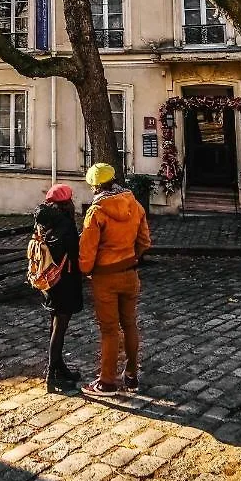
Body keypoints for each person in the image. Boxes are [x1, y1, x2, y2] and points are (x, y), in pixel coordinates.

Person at [79, 163, 151, 396]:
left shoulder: (96, 211)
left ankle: (107, 381)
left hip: (105, 278)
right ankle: (131, 375)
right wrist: (133, 257)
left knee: (109, 330)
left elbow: (87, 250)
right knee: (130, 324)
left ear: (95, 186)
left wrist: (86, 270)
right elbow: (144, 240)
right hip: (130, 273)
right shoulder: (134, 204)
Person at [33, 183, 84, 394]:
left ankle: (59, 366)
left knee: (55, 325)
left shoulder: (44, 221)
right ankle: (52, 374)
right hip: (65, 281)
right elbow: (73, 251)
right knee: (59, 327)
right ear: (66, 203)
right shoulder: (65, 225)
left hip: (49, 280)